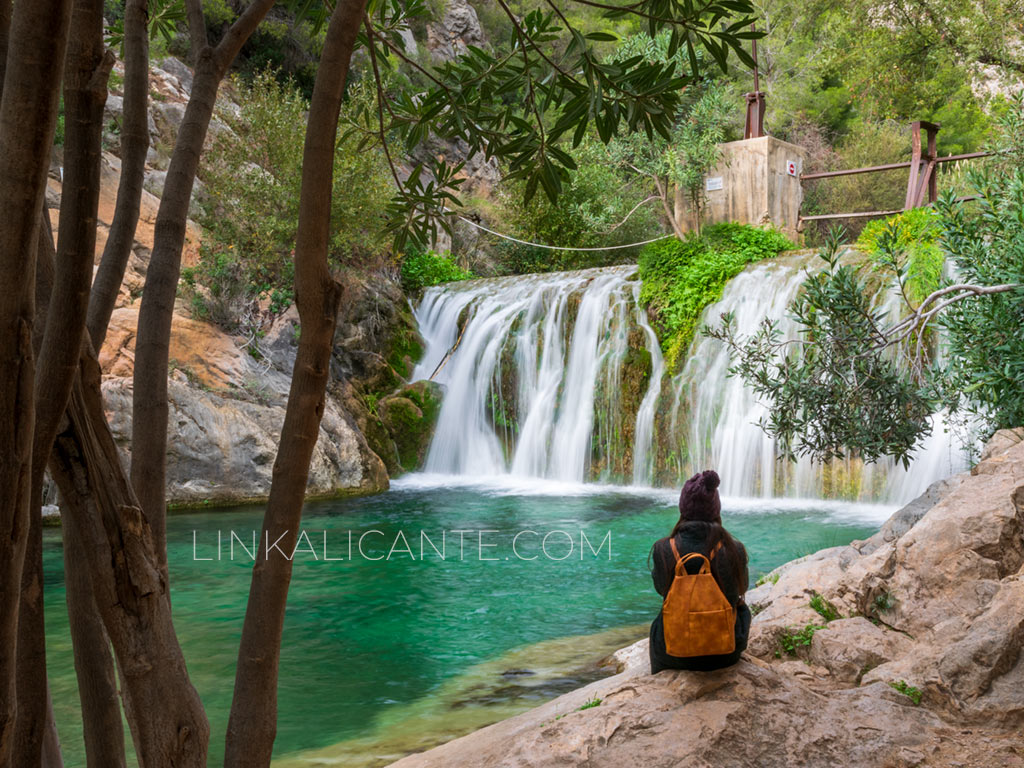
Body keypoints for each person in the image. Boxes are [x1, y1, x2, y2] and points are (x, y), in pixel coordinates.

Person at [648, 469, 751, 672]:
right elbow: (742, 587)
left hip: (673, 652)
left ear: (683, 508)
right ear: (716, 509)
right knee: (742, 609)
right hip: (724, 652)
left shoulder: (663, 548)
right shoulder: (734, 549)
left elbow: (662, 590)